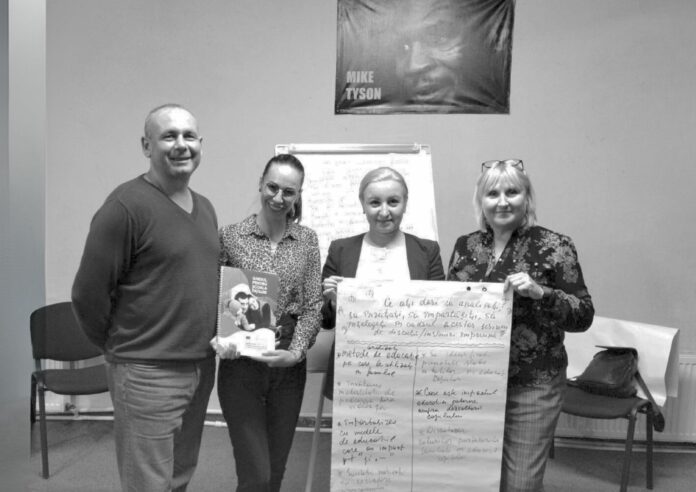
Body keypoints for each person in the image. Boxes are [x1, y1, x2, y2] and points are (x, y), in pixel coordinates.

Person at [71, 104, 219, 492]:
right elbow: (87, 293)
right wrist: (119, 347)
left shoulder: (205, 208)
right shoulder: (125, 206)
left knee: (180, 474)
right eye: (169, 136)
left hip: (200, 367)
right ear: (146, 145)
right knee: (148, 483)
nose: (181, 144)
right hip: (146, 372)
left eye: (189, 136)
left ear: (201, 144)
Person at [446, 159, 594, 492]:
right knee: (475, 479)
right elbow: (449, 308)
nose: (502, 202)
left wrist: (542, 293)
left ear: (527, 197)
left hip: (532, 383)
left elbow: (584, 315)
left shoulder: (555, 246)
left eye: (512, 192)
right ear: (481, 201)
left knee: (520, 483)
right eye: (492, 194)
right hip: (474, 382)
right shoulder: (465, 246)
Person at [215, 153, 322, 492]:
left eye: (289, 192)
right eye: (272, 187)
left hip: (287, 367)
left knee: (275, 473)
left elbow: (313, 305)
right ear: (260, 184)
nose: (278, 198)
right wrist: (219, 339)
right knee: (255, 475)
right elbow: (215, 296)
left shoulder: (307, 240)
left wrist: (296, 352)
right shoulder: (230, 236)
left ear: (298, 194)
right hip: (240, 366)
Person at [321, 166, 445, 399]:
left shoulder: (428, 251)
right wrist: (335, 303)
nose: (384, 211)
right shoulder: (340, 250)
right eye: (375, 203)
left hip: (413, 371)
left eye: (393, 201)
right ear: (363, 205)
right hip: (354, 371)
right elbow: (325, 321)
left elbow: (440, 316)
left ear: (405, 204)